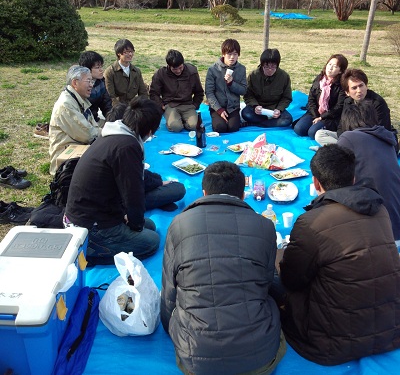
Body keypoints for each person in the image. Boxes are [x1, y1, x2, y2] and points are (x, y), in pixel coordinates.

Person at [276, 144, 400, 366]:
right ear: (353, 178)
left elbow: (292, 280)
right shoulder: (379, 208)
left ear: (316, 183)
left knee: (278, 270)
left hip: (331, 342)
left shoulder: (311, 223)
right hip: (390, 329)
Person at [161, 161, 285, 375]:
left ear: (204, 192)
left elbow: (169, 292)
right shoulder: (265, 226)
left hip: (196, 359)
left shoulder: (179, 224)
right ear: (243, 195)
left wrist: (170, 325)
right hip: (259, 358)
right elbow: (267, 285)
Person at [64, 97, 163, 266]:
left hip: (93, 212)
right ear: (150, 131)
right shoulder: (127, 147)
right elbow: (133, 193)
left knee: (151, 225)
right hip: (92, 225)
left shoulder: (112, 133)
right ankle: (91, 250)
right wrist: (135, 225)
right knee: (152, 241)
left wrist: (130, 220)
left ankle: (104, 239)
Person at [337, 101, 400, 241]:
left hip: (378, 232)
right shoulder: (386, 139)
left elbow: (333, 172)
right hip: (396, 221)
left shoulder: (348, 138)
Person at [106, 103, 186, 211]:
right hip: (119, 200)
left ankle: (159, 200)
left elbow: (138, 173)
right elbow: (135, 183)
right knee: (178, 188)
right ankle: (156, 202)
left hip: (123, 191)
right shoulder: (125, 145)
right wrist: (159, 183)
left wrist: (156, 180)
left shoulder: (110, 138)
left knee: (156, 177)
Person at [315, 68, 396, 147]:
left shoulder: (377, 103)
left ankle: (340, 151)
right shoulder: (348, 101)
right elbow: (342, 126)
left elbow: (382, 131)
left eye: (361, 85)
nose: (359, 90)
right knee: (320, 134)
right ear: (347, 92)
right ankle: (343, 151)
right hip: (352, 139)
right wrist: (345, 139)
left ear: (366, 85)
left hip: (373, 141)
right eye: (354, 88)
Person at [49, 65, 100, 175]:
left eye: (92, 81)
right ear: (75, 83)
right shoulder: (66, 104)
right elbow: (88, 135)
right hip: (66, 161)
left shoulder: (77, 99)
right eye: (88, 81)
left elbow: (93, 127)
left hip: (79, 149)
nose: (92, 85)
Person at [293, 54, 347, 139]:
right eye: (329, 64)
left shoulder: (342, 85)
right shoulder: (319, 79)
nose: (330, 68)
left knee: (312, 133)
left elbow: (339, 107)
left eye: (335, 66)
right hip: (315, 113)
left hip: (331, 117)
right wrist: (316, 116)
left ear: (340, 71)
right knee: (299, 129)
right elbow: (311, 99)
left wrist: (322, 117)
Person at [149, 49, 204, 132]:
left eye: (180, 68)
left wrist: (195, 105)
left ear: (183, 63)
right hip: (170, 105)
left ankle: (184, 119)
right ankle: (175, 120)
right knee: (176, 127)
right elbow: (153, 93)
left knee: (195, 126)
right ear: (169, 66)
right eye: (174, 69)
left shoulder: (192, 71)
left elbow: (199, 92)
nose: (178, 71)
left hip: (188, 105)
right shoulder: (160, 74)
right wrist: (161, 106)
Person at [242, 49, 293, 127]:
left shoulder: (284, 76)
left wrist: (279, 109)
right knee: (246, 113)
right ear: (262, 65)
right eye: (266, 67)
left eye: (273, 67)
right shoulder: (253, 75)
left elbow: (287, 98)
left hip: (274, 108)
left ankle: (256, 123)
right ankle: (269, 122)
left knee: (287, 120)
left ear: (277, 65)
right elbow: (248, 95)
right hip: (258, 109)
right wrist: (255, 106)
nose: (269, 70)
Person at [205, 39, 247, 133]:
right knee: (220, 128)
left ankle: (236, 120)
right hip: (218, 106)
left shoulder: (241, 69)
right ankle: (217, 119)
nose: (232, 57)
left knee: (233, 128)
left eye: (235, 54)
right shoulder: (213, 69)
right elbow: (209, 92)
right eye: (229, 54)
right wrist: (219, 109)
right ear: (223, 54)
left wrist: (232, 83)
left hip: (233, 107)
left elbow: (244, 90)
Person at [104, 38, 148, 106]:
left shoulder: (136, 71)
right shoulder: (110, 72)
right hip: (117, 108)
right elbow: (111, 97)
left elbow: (143, 93)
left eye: (131, 51)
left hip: (133, 107)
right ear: (119, 53)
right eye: (126, 52)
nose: (130, 54)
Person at [78, 50, 112, 125]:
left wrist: (112, 121)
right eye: (97, 67)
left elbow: (106, 104)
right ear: (87, 69)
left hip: (95, 120)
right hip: (82, 123)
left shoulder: (101, 82)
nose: (101, 70)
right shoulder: (79, 86)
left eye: (101, 67)